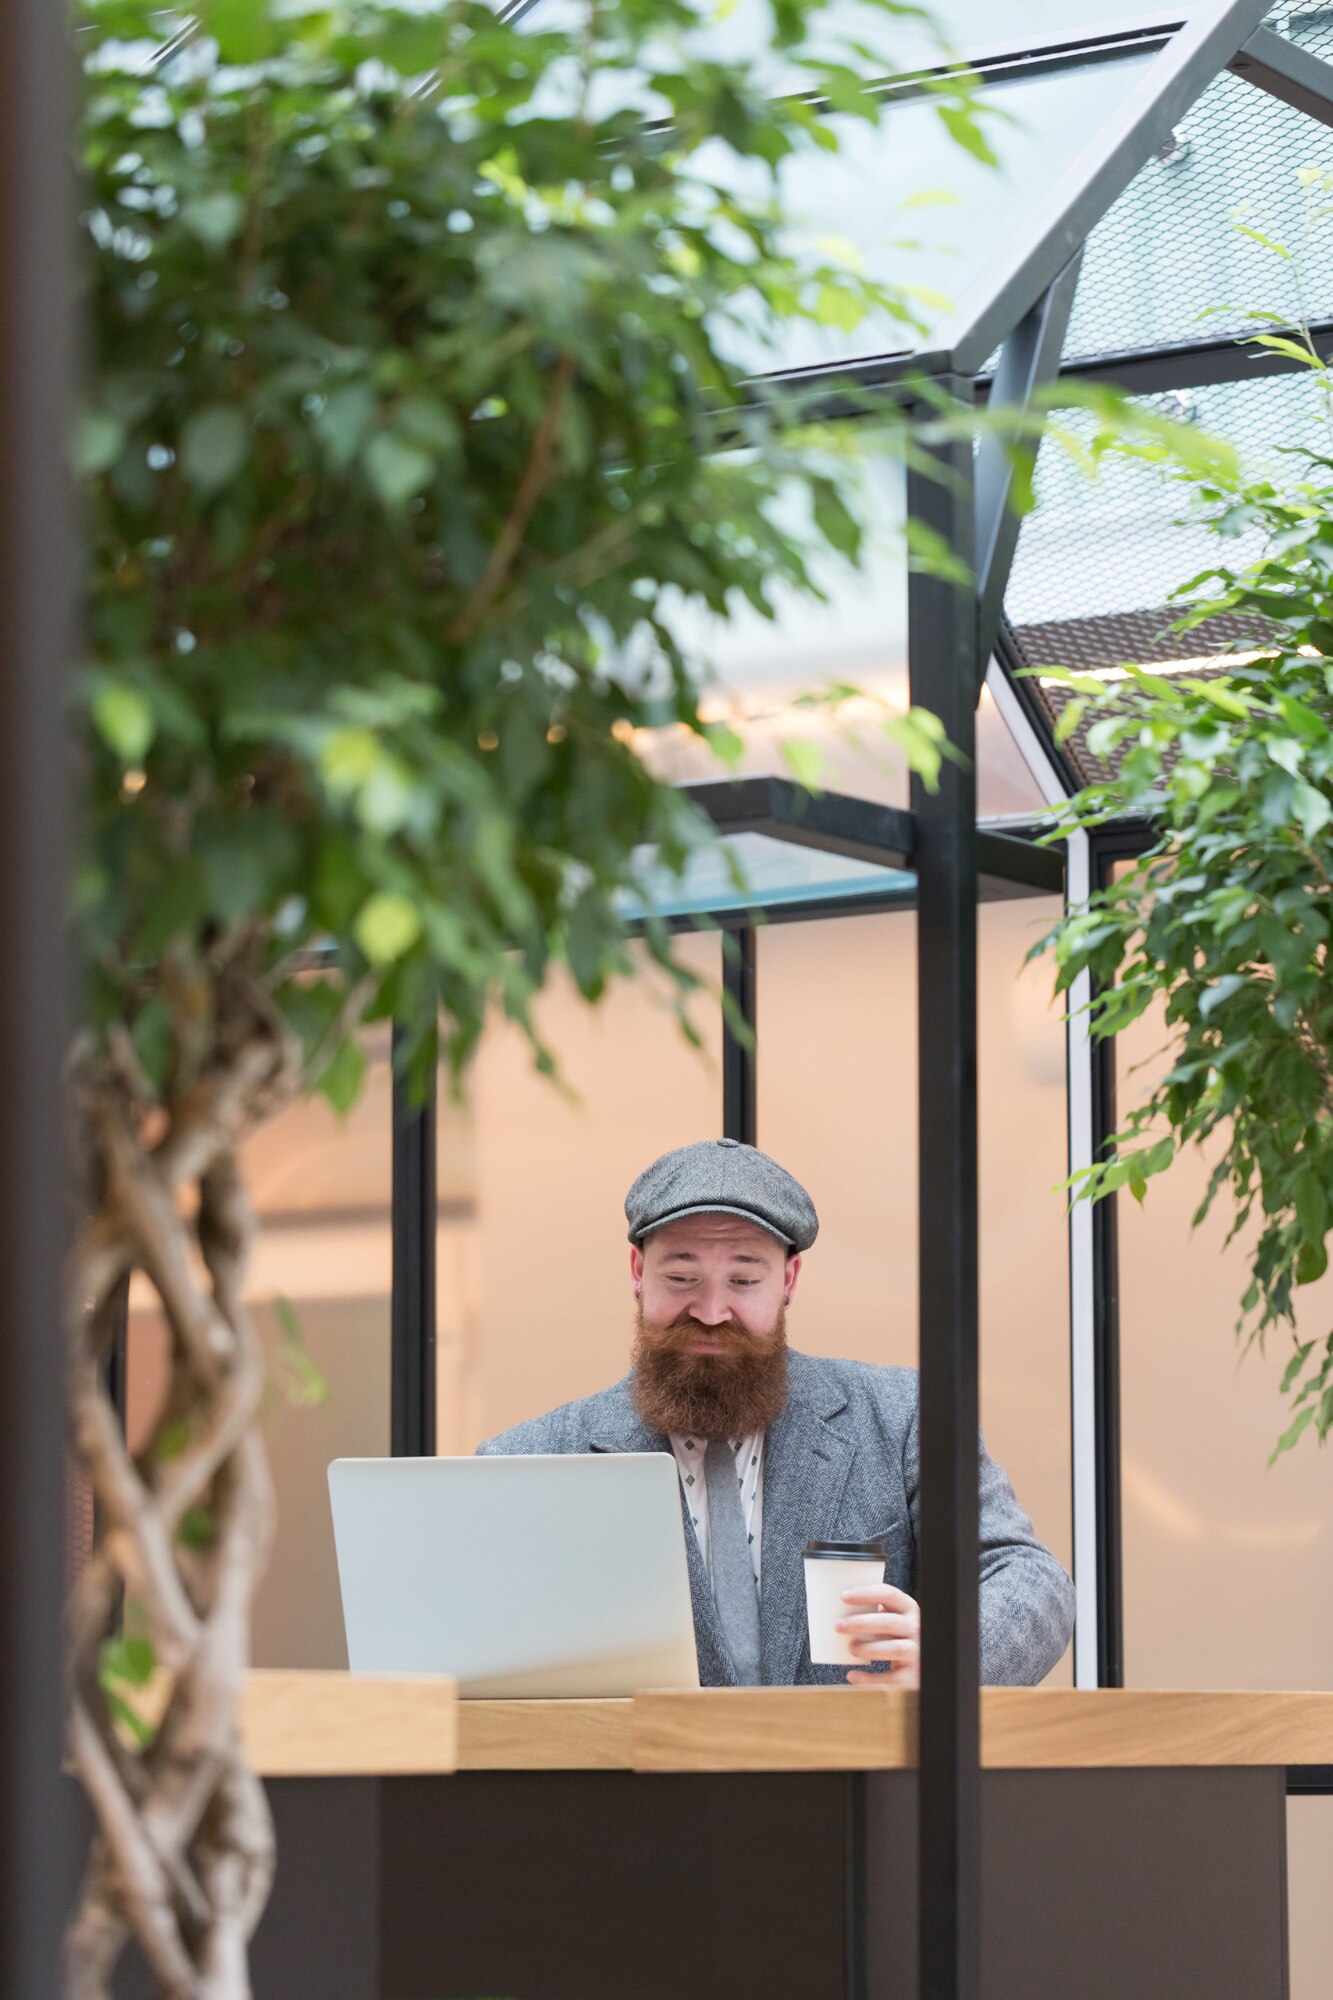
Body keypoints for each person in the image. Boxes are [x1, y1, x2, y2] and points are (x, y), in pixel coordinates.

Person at [477, 1139, 1075, 1688]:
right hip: (637, 1799)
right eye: (682, 1277)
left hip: (857, 1796)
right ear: (638, 1273)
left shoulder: (902, 1420)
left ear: (788, 1280)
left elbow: (1028, 1576)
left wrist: (949, 1664)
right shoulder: (525, 1463)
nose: (711, 1311)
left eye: (743, 1279)